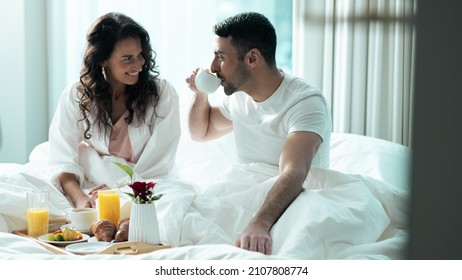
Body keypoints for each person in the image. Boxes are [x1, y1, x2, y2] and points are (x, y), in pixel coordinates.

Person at [186, 12, 331, 255]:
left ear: (252, 58)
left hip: (292, 192)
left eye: (220, 57)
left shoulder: (305, 101)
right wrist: (201, 94)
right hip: (243, 186)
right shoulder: (239, 94)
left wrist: (260, 224)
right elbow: (202, 132)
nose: (212, 68)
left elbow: (294, 172)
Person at [49, 12, 180, 209]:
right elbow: (62, 159)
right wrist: (80, 199)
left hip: (147, 188)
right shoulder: (77, 94)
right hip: (95, 184)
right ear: (102, 60)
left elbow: (158, 169)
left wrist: (118, 193)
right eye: (127, 58)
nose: (137, 65)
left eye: (140, 56)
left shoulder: (162, 94)